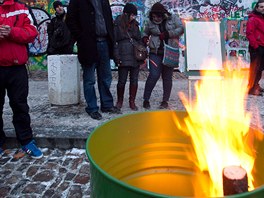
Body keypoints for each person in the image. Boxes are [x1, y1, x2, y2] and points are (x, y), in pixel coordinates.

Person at [0, 0, 43, 158]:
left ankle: (26, 141)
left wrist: (11, 32)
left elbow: (32, 33)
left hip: (17, 67)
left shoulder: (21, 8)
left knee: (20, 106)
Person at [66, 0, 120, 120]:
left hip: (105, 43)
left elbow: (108, 19)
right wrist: (81, 37)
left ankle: (107, 104)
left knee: (106, 77)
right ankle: (92, 108)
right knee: (89, 79)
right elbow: (70, 20)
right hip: (88, 44)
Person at [142, 2, 184, 109]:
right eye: (153, 16)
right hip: (155, 52)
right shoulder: (150, 21)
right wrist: (145, 37)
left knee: (167, 77)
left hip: (170, 52)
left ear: (163, 14)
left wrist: (168, 34)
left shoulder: (173, 18)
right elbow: (145, 32)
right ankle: (146, 99)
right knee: (153, 75)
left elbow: (181, 29)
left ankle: (165, 101)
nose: (155, 18)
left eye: (157, 16)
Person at [113, 3, 142, 111]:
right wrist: (116, 57)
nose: (133, 17)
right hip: (123, 55)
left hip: (135, 56)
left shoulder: (135, 25)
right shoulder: (117, 24)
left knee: (134, 80)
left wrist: (142, 50)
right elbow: (114, 42)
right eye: (132, 15)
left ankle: (132, 101)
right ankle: (119, 101)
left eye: (134, 15)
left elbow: (139, 40)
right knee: (122, 81)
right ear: (126, 14)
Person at [246, 0, 264, 96]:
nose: (263, 8)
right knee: (254, 69)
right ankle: (251, 88)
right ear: (257, 8)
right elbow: (249, 33)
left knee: (260, 68)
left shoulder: (262, 18)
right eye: (261, 7)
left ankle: (256, 85)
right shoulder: (253, 19)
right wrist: (256, 46)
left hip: (262, 46)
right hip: (257, 47)